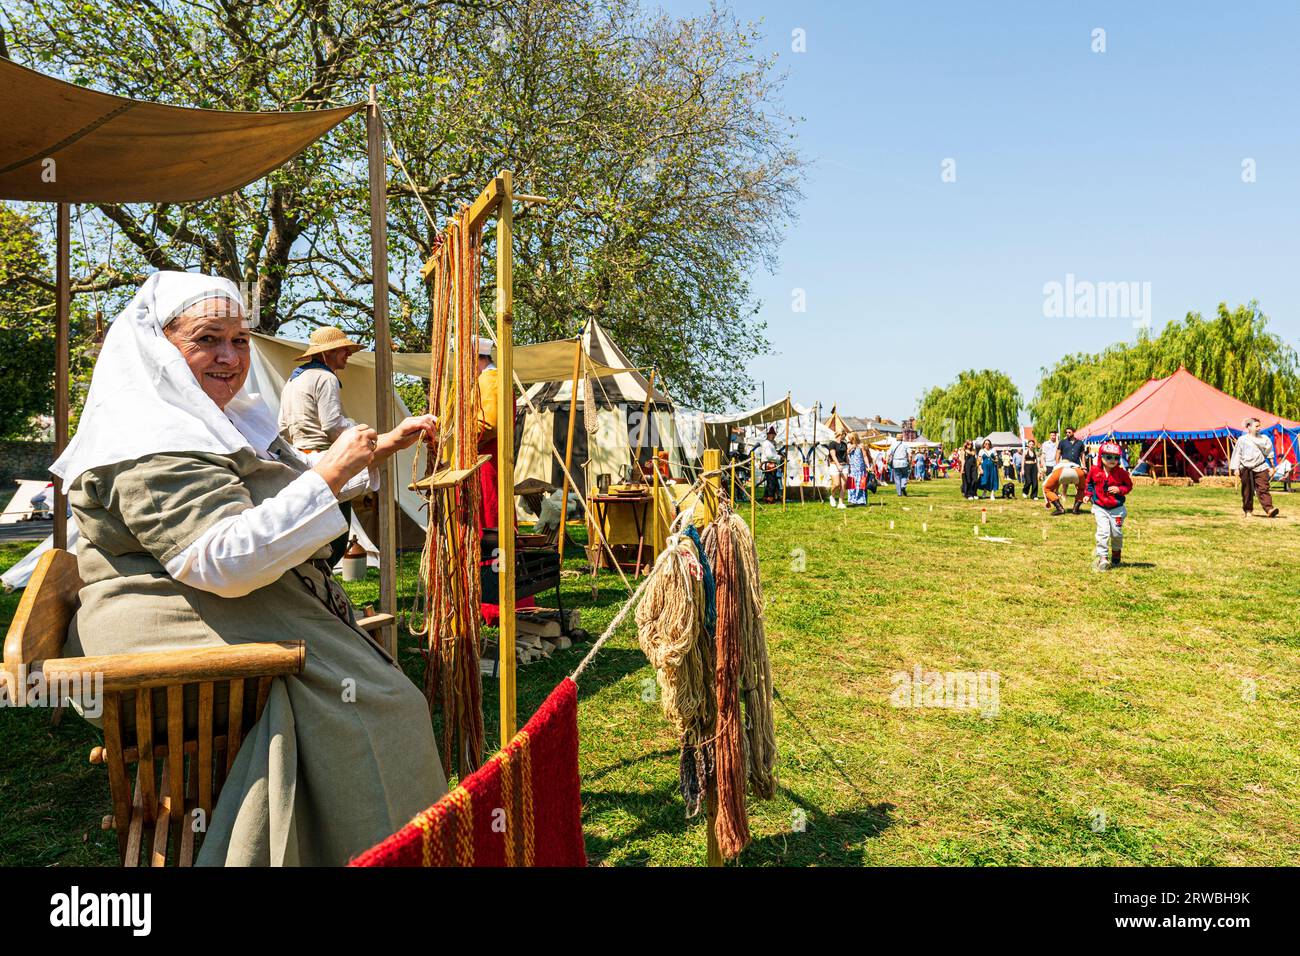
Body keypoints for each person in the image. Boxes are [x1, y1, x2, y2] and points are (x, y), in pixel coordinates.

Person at [50, 272, 445, 866]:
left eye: (240, 339)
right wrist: (330, 475)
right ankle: (369, 850)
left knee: (378, 691)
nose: (231, 357)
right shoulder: (150, 439)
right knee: (380, 704)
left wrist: (366, 455)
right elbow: (220, 559)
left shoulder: (201, 417)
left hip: (206, 600)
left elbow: (268, 492)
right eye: (208, 339)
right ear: (159, 344)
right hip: (170, 622)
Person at [278, 325, 364, 564]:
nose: (348, 353)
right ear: (328, 353)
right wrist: (360, 432)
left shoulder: (293, 380)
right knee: (337, 534)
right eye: (343, 349)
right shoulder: (326, 378)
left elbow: (283, 427)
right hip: (327, 459)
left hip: (300, 460)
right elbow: (332, 426)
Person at [1085, 440, 1133, 570]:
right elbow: (1089, 483)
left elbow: (1129, 485)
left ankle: (1116, 552)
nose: (1112, 460)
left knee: (1116, 533)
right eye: (1108, 457)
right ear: (1101, 457)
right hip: (1100, 507)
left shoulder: (1122, 473)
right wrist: (1087, 495)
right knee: (1103, 532)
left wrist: (1120, 490)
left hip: (1117, 509)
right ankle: (1103, 557)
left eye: (1116, 458)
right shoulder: (1094, 471)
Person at [1229, 417, 1280, 517]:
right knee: (1247, 490)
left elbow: (1270, 453)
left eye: (1259, 426)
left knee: (1263, 488)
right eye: (1256, 426)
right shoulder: (1242, 440)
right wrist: (1236, 468)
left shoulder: (1264, 439)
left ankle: (1269, 509)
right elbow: (1237, 454)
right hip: (1245, 467)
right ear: (1249, 427)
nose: (1259, 428)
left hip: (1261, 466)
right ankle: (1248, 510)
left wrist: (1272, 467)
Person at [1044, 427, 1088, 515]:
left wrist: (1084, 466)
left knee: (1081, 488)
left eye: (1069, 432)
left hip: (1076, 467)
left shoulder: (1080, 443)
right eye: (1066, 432)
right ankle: (1064, 498)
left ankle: (1073, 508)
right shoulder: (1062, 442)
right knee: (1066, 486)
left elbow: (1082, 455)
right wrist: (1057, 465)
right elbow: (1058, 453)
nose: (1067, 433)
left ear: (1074, 432)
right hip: (1064, 467)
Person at [758, 426, 783, 503]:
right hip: (769, 464)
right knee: (771, 482)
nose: (773, 436)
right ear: (768, 435)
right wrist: (779, 457)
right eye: (771, 434)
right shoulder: (767, 443)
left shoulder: (771, 443)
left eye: (774, 434)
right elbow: (769, 456)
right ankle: (769, 498)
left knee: (772, 481)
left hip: (772, 464)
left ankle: (767, 496)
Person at [826, 429, 848, 509]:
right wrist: (838, 465)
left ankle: (841, 503)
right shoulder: (832, 443)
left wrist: (849, 464)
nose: (845, 436)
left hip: (844, 465)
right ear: (840, 434)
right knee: (836, 484)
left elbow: (846, 455)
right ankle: (831, 496)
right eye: (844, 434)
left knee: (843, 485)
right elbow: (833, 456)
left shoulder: (844, 444)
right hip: (834, 465)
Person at [846, 432, 868, 506]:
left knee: (861, 484)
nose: (848, 440)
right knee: (852, 484)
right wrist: (850, 448)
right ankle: (852, 499)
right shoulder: (849, 446)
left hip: (860, 469)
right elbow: (845, 454)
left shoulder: (861, 446)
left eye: (850, 438)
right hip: (852, 468)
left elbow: (865, 456)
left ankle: (860, 500)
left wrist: (868, 466)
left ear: (853, 438)